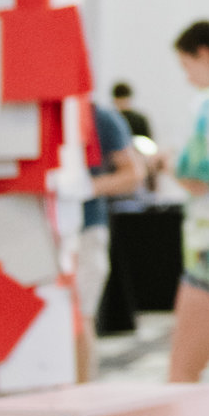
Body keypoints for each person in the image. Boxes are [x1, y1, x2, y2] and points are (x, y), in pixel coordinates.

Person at [119, 21, 209, 416]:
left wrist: (164, 163)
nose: (186, 76)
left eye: (186, 63)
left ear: (203, 54)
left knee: (183, 372)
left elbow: (195, 173)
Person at [74, 96, 144, 378]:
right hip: (36, 232)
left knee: (80, 318)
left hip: (86, 229)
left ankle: (80, 401)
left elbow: (133, 174)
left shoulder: (98, 116)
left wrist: (86, 187)